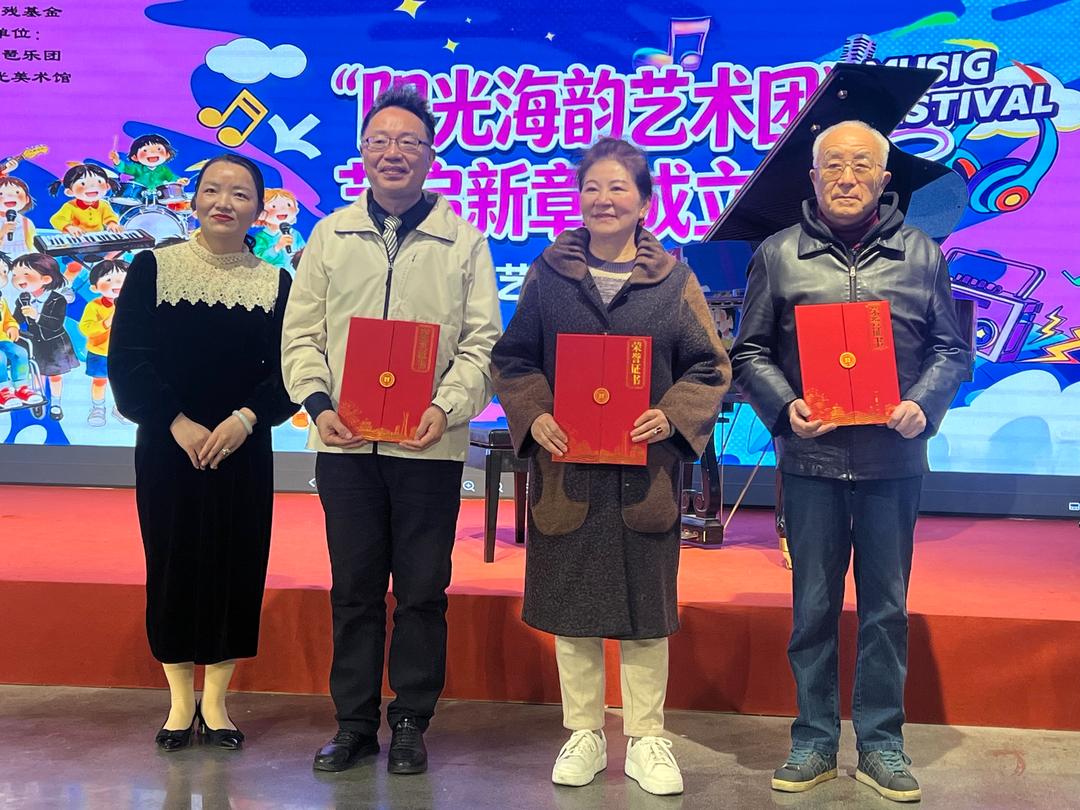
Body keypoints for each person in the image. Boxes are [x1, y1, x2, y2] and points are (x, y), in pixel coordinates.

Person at [731, 120, 969, 802]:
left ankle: (881, 743)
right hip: (811, 461)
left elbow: (952, 350)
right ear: (812, 177)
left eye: (861, 165)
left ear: (884, 178)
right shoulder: (779, 254)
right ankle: (811, 740)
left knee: (886, 609)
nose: (846, 177)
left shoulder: (923, 254)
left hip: (894, 462)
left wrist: (923, 404)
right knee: (812, 608)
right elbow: (749, 351)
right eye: (832, 165)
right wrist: (785, 407)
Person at [491, 137, 730, 796]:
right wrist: (535, 414)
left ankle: (648, 737)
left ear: (645, 201)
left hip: (642, 474)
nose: (604, 199)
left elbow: (709, 365)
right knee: (574, 609)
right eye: (592, 187)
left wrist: (673, 415)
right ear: (578, 197)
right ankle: (584, 732)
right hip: (568, 471)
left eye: (619, 187)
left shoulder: (673, 280)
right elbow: (513, 357)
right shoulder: (549, 275)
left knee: (646, 611)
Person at [281, 86, 501, 775]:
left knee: (422, 590)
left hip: (427, 446)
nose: (393, 152)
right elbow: (301, 333)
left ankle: (410, 720)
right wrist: (318, 405)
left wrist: (447, 407)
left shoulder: (463, 240)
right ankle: (353, 724)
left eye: (409, 141)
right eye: (380, 140)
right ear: (363, 153)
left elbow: (483, 343)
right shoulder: (330, 235)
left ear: (431, 155)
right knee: (353, 588)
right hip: (344, 443)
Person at [109, 153, 297, 752]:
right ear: (193, 200)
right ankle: (177, 703)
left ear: (258, 209)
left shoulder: (276, 283)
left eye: (240, 194)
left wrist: (246, 419)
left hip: (243, 449)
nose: (225, 202)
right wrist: (176, 422)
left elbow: (290, 371)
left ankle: (215, 704)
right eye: (213, 190)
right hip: (169, 447)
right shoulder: (153, 267)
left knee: (236, 565)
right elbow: (128, 360)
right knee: (172, 562)